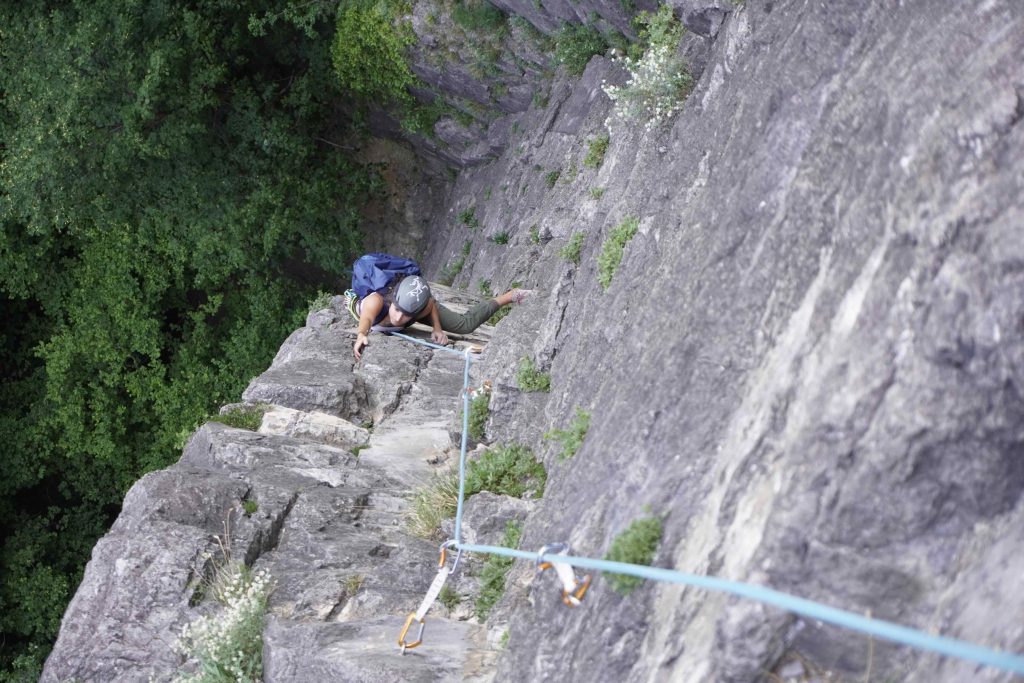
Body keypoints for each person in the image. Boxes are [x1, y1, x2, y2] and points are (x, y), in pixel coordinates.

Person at [350, 273, 530, 360]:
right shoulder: (376, 302)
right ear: (393, 302)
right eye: (397, 311)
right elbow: (366, 319)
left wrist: (437, 327)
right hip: (383, 303)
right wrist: (361, 334)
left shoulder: (416, 308)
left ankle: (510, 296)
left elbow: (429, 302)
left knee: (465, 325)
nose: (398, 318)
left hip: (414, 301)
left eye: (406, 315)